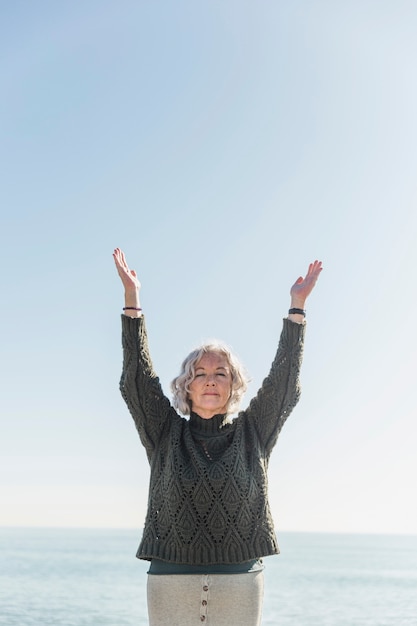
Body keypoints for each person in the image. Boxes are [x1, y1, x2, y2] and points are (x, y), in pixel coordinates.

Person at [113, 248, 322, 626]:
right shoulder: (164, 431)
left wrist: (297, 308)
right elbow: (136, 381)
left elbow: (285, 384)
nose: (210, 378)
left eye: (221, 372)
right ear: (187, 386)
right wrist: (133, 301)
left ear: (233, 384)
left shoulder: (253, 431)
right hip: (170, 579)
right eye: (200, 372)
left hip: (240, 580)